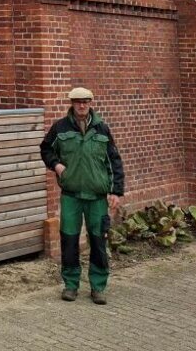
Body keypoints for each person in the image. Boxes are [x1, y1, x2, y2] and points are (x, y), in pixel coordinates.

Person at [40, 86, 124, 305]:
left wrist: (116, 191)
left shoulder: (102, 129)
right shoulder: (60, 127)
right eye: (78, 101)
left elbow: (114, 160)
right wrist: (57, 166)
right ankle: (70, 284)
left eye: (85, 101)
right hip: (71, 196)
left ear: (91, 103)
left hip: (97, 197)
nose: (82, 105)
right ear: (72, 103)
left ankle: (98, 286)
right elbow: (46, 149)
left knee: (98, 241)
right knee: (69, 240)